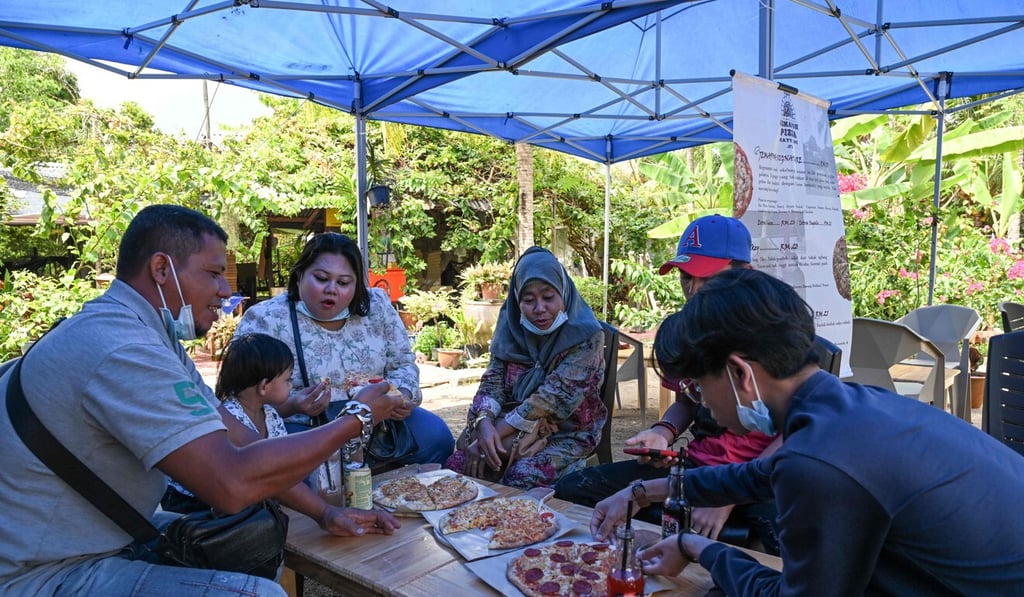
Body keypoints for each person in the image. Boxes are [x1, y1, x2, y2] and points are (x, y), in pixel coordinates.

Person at [0, 205, 402, 596]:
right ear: (162, 270)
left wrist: (323, 512)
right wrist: (357, 416)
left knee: (256, 544)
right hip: (42, 573)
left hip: (96, 540)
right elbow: (231, 484)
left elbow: (242, 441)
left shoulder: (149, 337)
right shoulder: (123, 348)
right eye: (213, 273)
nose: (226, 289)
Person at [593, 268, 1024, 595]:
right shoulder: (849, 407)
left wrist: (697, 548)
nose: (703, 402)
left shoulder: (820, 462)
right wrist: (642, 493)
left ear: (740, 374)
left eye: (701, 387)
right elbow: (759, 475)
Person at [556, 215, 782, 554]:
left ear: (744, 273)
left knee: (793, 545)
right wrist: (663, 433)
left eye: (704, 277)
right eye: (685, 276)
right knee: (573, 488)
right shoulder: (685, 331)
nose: (692, 289)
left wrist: (731, 493)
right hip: (698, 467)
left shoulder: (775, 336)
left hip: (760, 475)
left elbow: (794, 431)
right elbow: (688, 401)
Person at [235, 232, 454, 468]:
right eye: (321, 278)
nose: (332, 289)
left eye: (343, 283)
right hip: (304, 427)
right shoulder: (265, 319)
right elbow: (241, 401)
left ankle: (388, 490)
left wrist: (401, 396)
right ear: (299, 276)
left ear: (357, 284)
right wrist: (293, 406)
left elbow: (402, 363)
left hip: (379, 420)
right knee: (300, 473)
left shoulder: (377, 306)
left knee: (437, 437)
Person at [444, 246, 606, 489]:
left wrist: (495, 433)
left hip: (567, 433)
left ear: (563, 292)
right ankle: (470, 526)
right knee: (458, 466)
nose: (540, 308)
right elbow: (492, 383)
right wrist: (484, 424)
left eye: (548, 297)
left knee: (521, 477)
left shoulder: (586, 336)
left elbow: (552, 398)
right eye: (528, 300)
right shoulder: (511, 330)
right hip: (511, 430)